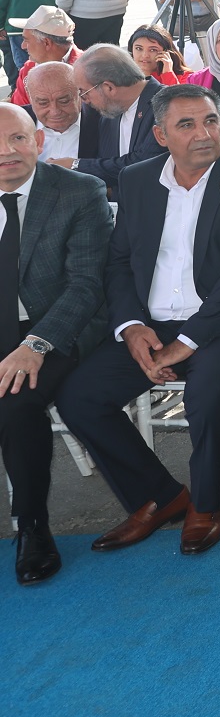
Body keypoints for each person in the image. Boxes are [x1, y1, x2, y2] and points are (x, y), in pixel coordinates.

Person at [54, 85, 220, 558]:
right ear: (160, 135)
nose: (204, 134)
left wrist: (189, 340)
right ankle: (158, 496)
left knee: (208, 392)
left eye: (211, 121)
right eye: (187, 125)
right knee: (79, 397)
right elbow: (119, 262)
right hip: (152, 323)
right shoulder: (138, 179)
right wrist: (130, 327)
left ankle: (205, 503)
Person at [0, 104, 112, 583]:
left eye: (17, 138)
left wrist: (36, 344)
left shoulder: (79, 191)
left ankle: (31, 525)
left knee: (16, 401)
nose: (7, 152)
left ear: (39, 141)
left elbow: (85, 286)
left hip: (57, 325)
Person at [74, 44, 166, 201]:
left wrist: (76, 165)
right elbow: (107, 163)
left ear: (109, 88)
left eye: (84, 93)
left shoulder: (166, 104)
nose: (84, 101)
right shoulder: (109, 113)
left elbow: (143, 164)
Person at [23, 63, 82, 164]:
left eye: (63, 101)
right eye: (43, 103)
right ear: (29, 96)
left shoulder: (103, 120)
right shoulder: (11, 122)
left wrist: (76, 165)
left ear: (80, 92)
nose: (55, 112)